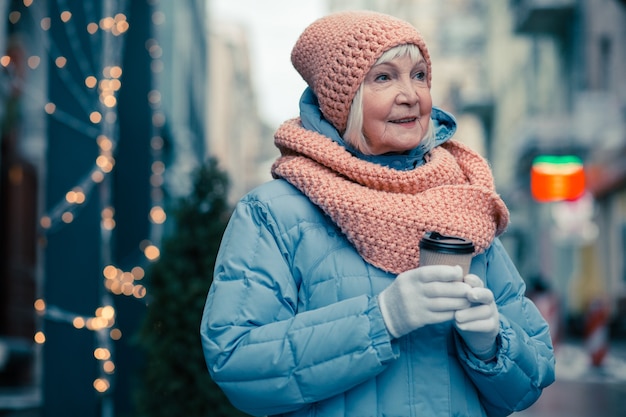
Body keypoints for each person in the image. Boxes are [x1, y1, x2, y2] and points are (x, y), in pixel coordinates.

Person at [201, 10, 555, 417]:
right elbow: (237, 363)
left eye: (419, 75)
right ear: (342, 100)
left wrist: (492, 344)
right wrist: (380, 319)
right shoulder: (275, 214)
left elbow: (532, 379)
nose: (411, 95)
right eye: (384, 77)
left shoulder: (462, 205)